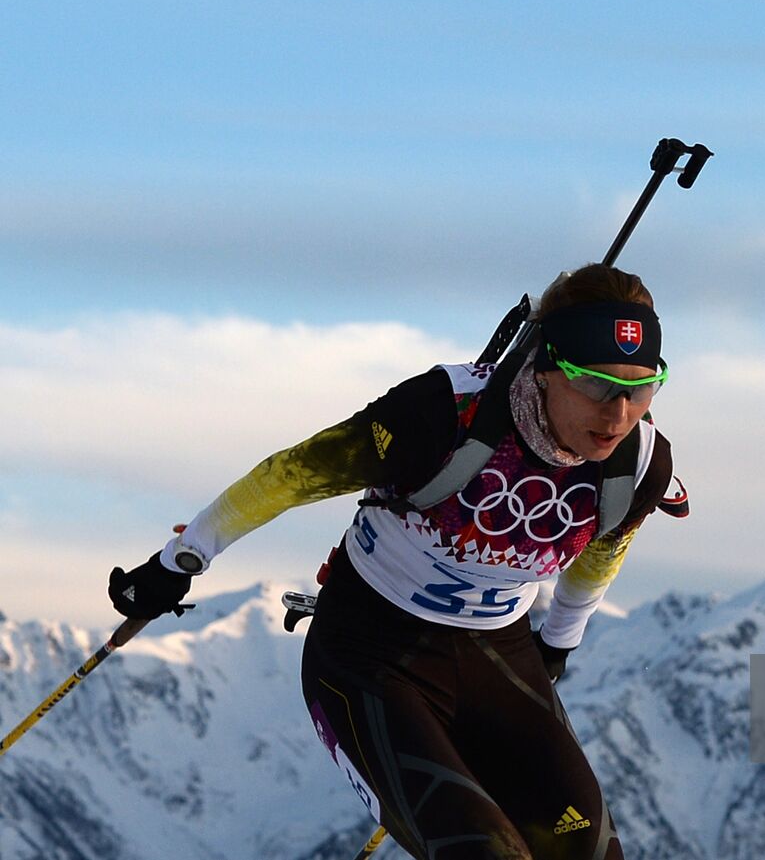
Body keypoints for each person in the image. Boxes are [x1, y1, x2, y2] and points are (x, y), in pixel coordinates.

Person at [107, 264, 683, 859]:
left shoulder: (637, 465)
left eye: (641, 388)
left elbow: (603, 548)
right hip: (368, 653)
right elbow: (291, 476)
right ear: (544, 366)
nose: (618, 413)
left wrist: (558, 643)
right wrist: (179, 561)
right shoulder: (441, 416)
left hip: (497, 657)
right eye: (594, 384)